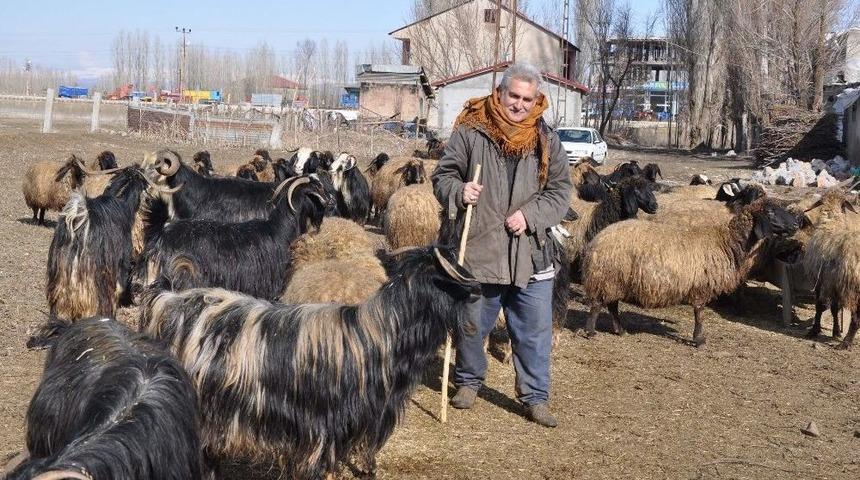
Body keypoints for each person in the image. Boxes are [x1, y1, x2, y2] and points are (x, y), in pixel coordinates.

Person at [432, 62, 573, 427]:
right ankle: (468, 382)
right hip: (479, 249)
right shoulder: (471, 131)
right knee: (471, 325)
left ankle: (535, 398)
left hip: (531, 252)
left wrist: (531, 216)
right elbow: (442, 176)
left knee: (534, 331)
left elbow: (560, 192)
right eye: (514, 96)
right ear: (500, 92)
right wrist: (459, 191)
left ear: (536, 99)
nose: (520, 105)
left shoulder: (547, 140)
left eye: (528, 98)